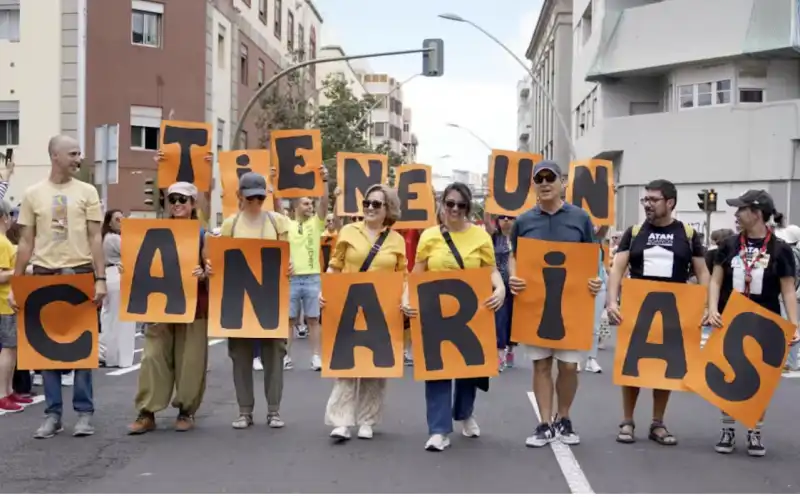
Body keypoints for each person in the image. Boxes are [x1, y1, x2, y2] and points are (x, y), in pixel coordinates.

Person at [10, 135, 107, 439]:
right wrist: (17, 283)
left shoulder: (87, 191)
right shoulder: (33, 194)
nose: (79, 158)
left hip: (79, 273)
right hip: (43, 274)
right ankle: (52, 415)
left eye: (79, 153)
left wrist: (100, 279)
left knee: (82, 348)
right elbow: (25, 241)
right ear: (55, 156)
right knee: (45, 350)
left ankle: (84, 413)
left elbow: (95, 238)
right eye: (74, 154)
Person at [404, 182, 505, 452]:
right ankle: (438, 430)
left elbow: (491, 270)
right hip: (435, 309)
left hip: (471, 311)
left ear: (468, 207)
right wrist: (407, 298)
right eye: (450, 203)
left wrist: (501, 288)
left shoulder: (481, 237)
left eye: (461, 205)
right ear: (442, 204)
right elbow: (418, 271)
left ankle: (464, 413)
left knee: (468, 368)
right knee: (437, 369)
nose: (455, 209)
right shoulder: (429, 237)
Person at [606, 179, 709, 445]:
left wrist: (707, 305)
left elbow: (702, 272)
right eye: (645, 200)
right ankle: (627, 421)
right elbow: (617, 268)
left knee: (666, 367)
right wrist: (612, 302)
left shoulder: (687, 233)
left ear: (670, 203)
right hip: (638, 307)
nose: (648, 205)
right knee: (633, 364)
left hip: (675, 309)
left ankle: (658, 423)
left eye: (653, 200)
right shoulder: (635, 231)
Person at [507, 160, 602, 448]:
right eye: (540, 179)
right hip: (535, 303)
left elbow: (592, 255)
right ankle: (544, 424)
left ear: (562, 182)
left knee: (569, 367)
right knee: (541, 365)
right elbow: (514, 254)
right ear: (534, 184)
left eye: (550, 178)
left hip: (573, 303)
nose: (545, 183)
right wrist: (513, 276)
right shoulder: (523, 221)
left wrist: (595, 279)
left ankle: (564, 417)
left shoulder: (580, 218)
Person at [707, 190, 799, 457]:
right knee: (728, 375)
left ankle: (755, 431)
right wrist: (712, 309)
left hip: (765, 320)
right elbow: (715, 280)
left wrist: (794, 324)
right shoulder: (729, 244)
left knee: (760, 379)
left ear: (757, 213)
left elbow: (788, 290)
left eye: (741, 209)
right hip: (731, 318)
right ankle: (727, 429)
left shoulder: (780, 249)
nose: (736, 215)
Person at [320, 184, 407, 441]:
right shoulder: (348, 231)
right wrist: (324, 291)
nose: (369, 207)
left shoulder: (397, 240)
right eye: (367, 203)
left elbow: (402, 276)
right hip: (349, 305)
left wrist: (404, 299)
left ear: (388, 209)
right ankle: (341, 421)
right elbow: (335, 266)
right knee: (346, 364)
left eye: (376, 204)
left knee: (374, 367)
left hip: (381, 310)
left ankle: (368, 420)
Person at [127, 181, 210, 435]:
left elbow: (212, 268)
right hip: (160, 304)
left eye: (182, 200)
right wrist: (127, 269)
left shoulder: (203, 234)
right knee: (152, 356)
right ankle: (146, 411)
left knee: (191, 360)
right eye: (172, 199)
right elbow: (140, 262)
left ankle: (186, 410)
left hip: (193, 304)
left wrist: (204, 272)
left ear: (193, 204)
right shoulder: (154, 230)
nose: (176, 204)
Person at [215, 172, 291, 430]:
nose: (256, 201)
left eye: (260, 196)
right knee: (240, 353)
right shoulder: (230, 225)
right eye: (251, 196)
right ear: (240, 196)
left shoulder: (278, 221)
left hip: (270, 294)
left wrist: (289, 267)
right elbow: (220, 259)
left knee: (274, 352)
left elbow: (287, 255)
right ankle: (244, 410)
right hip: (239, 294)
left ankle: (274, 410)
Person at [285, 168, 330, 371]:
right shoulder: (286, 223)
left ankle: (316, 357)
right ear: (295, 206)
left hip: (312, 278)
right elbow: (276, 203)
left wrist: (325, 181)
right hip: (292, 278)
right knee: (289, 320)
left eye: (311, 203)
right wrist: (275, 179)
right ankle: (286, 355)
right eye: (305, 203)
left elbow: (325, 203)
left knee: (313, 319)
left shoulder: (316, 223)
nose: (310, 206)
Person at [99, 209, 136, 368]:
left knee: (110, 318)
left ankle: (110, 355)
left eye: (123, 218)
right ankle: (118, 357)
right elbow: (132, 251)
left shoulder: (107, 238)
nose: (121, 222)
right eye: (117, 219)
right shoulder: (113, 238)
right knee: (120, 319)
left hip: (110, 275)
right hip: (117, 275)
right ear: (110, 222)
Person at [0, 200, 26, 413]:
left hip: (9, 303)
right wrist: (19, 270)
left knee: (13, 349)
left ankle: (8, 391)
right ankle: (3, 393)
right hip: (4, 303)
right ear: (5, 217)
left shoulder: (4, 241)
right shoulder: (1, 242)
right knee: (8, 350)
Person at [484, 213, 516, 371]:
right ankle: (500, 353)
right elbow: (487, 221)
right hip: (498, 285)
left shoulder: (519, 238)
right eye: (503, 217)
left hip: (516, 285)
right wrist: (489, 207)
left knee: (513, 319)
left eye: (510, 218)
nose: (506, 220)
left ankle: (511, 348)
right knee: (500, 319)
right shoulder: (494, 237)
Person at [775, 224, 800, 371]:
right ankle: (790, 360)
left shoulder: (789, 253)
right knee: (792, 326)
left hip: (787, 295)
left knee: (790, 327)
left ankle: (790, 361)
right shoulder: (796, 252)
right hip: (794, 294)